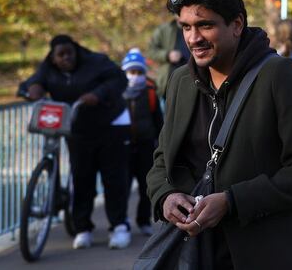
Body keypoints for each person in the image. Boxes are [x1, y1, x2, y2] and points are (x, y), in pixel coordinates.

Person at [146, 0, 292, 269]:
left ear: (237, 24)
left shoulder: (280, 75)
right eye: (186, 27)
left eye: (205, 26)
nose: (194, 38)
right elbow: (160, 163)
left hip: (268, 254)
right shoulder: (181, 80)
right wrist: (165, 197)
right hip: (193, 255)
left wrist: (232, 201)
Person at [20, 35, 132, 250]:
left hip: (109, 124)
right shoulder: (48, 69)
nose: (66, 58)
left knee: (113, 177)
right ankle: (83, 229)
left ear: (76, 51)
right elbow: (32, 81)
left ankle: (119, 227)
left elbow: (119, 79)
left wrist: (97, 94)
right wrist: (32, 87)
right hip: (77, 128)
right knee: (81, 178)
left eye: (69, 53)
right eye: (60, 55)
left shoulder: (96, 61)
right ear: (53, 58)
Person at [120, 48, 163, 236]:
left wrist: (161, 145)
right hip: (122, 146)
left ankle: (143, 220)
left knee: (147, 186)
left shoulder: (151, 91)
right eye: (131, 72)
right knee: (122, 186)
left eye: (138, 72)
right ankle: (121, 222)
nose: (135, 76)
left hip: (146, 145)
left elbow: (158, 121)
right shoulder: (117, 91)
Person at [147, 13, 190, 101]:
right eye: (178, 12)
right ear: (174, 14)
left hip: (192, 84)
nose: (180, 15)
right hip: (167, 86)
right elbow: (150, 51)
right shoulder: (163, 30)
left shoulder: (195, 29)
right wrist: (167, 55)